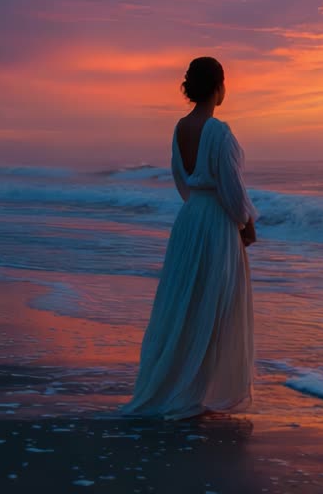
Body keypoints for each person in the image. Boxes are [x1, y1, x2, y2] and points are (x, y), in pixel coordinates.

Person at [122, 56, 258, 420]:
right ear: (219, 87)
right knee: (214, 304)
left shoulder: (180, 128)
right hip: (215, 222)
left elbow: (181, 180)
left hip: (190, 219)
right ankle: (195, 390)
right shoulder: (219, 132)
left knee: (186, 301)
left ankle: (180, 384)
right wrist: (245, 221)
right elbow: (231, 186)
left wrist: (198, 208)